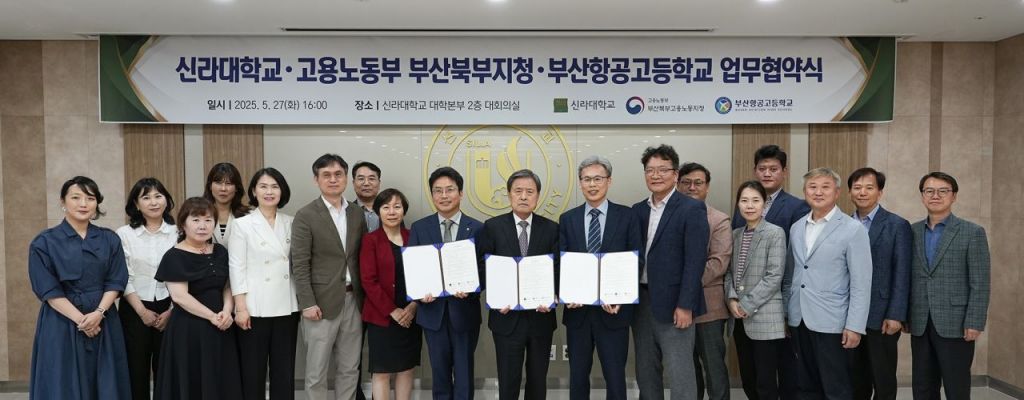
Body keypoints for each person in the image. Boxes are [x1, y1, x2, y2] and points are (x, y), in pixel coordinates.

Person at [28, 176, 131, 399]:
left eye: (90, 198)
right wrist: (82, 321)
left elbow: (116, 280)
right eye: (76, 197)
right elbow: (48, 289)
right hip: (61, 322)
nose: (83, 204)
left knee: (106, 381)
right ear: (63, 202)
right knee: (62, 382)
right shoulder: (44, 242)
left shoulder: (109, 239)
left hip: (104, 319)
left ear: (97, 203)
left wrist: (98, 314)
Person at [784, 167, 872, 400]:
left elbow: (861, 283)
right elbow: (792, 274)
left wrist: (855, 326)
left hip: (833, 322)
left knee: (836, 388)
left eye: (825, 187)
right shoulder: (797, 227)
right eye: (812, 187)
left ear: (837, 192)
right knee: (805, 387)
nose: (818, 192)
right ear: (805, 191)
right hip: (799, 318)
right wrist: (787, 313)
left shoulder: (853, 229)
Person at [559, 156, 642, 400]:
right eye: (587, 179)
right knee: (577, 376)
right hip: (578, 313)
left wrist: (620, 296)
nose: (592, 184)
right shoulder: (568, 218)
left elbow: (636, 260)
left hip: (614, 312)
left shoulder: (627, 216)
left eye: (598, 178)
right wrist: (568, 293)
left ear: (609, 181)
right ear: (580, 183)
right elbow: (562, 262)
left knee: (615, 376)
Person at [631, 145, 709, 400]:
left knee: (680, 371)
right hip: (641, 302)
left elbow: (695, 261)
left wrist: (686, 305)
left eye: (662, 170)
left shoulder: (691, 208)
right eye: (650, 170)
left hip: (676, 304)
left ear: (675, 175)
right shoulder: (638, 210)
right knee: (646, 370)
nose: (655, 175)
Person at [731, 144, 807, 400]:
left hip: (774, 306)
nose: (767, 173)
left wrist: (784, 309)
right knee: (751, 374)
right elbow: (734, 264)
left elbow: (790, 265)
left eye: (773, 169)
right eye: (762, 168)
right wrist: (733, 299)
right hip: (742, 309)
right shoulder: (740, 218)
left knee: (783, 371)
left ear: (784, 171)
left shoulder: (797, 207)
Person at [477, 169, 559, 400]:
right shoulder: (492, 227)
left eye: (529, 192)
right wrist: (496, 298)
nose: (523, 196)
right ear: (509, 194)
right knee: (508, 380)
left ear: (538, 196)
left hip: (541, 317)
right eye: (518, 191)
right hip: (506, 318)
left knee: (538, 380)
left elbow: (557, 268)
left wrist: (553, 296)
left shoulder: (551, 228)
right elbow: (484, 268)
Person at [291, 154, 368, 400]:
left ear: (346, 178)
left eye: (338, 174)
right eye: (326, 175)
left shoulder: (356, 213)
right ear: (316, 180)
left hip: (353, 301)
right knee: (317, 371)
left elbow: (360, 256)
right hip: (320, 303)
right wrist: (307, 303)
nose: (333, 179)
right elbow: (299, 264)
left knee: (350, 368)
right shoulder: (306, 215)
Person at [908, 172, 990, 400]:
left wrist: (974, 321)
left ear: (953, 196)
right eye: (929, 191)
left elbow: (980, 282)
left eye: (943, 191)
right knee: (923, 385)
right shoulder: (912, 231)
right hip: (920, 321)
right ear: (922, 196)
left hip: (956, 322)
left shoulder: (972, 232)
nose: (935, 196)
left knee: (956, 386)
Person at [153, 196, 243, 400]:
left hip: (222, 325)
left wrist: (227, 311)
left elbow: (228, 285)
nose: (203, 226)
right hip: (189, 329)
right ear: (183, 224)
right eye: (195, 220)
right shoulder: (174, 256)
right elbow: (180, 297)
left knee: (221, 378)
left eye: (208, 220)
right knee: (192, 379)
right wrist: (212, 316)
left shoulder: (220, 251)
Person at [408, 167, 484, 400]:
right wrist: (420, 293)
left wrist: (470, 290)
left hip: (464, 312)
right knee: (439, 372)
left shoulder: (478, 228)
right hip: (433, 313)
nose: (444, 195)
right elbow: (413, 268)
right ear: (432, 194)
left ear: (460, 193)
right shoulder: (420, 227)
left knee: (464, 372)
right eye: (437, 190)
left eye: (449, 190)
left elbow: (483, 268)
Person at [228, 168, 299, 400]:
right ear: (253, 191)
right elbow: (236, 268)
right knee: (252, 371)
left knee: (284, 371)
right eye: (263, 186)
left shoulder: (292, 222)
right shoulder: (242, 224)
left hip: (287, 305)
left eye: (275, 187)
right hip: (254, 307)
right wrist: (240, 308)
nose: (269, 192)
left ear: (282, 191)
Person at [845, 168, 912, 400]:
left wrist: (896, 314)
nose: (862, 192)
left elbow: (902, 272)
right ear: (849, 192)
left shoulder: (897, 225)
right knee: (855, 379)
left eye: (869, 187)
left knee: (883, 380)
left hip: (882, 315)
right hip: (848, 315)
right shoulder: (842, 224)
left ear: (880, 192)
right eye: (857, 187)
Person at [116, 177, 177, 400]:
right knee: (135, 370)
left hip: (172, 306)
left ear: (166, 200)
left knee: (167, 369)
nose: (153, 202)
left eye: (158, 196)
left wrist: (171, 311)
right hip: (134, 307)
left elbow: (185, 276)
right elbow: (122, 275)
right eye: (146, 197)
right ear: (136, 204)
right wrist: (142, 311)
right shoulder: (124, 234)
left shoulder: (178, 232)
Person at [726, 181, 787, 400]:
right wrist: (732, 299)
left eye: (755, 200)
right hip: (738, 318)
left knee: (766, 381)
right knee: (748, 378)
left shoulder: (775, 233)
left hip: (765, 317)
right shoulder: (735, 234)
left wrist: (746, 304)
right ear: (738, 205)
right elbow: (728, 273)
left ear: (764, 204)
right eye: (744, 200)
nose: (749, 206)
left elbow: (774, 276)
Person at [360, 189, 423, 400]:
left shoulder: (413, 237)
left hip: (411, 315)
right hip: (382, 317)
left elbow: (424, 275)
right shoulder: (370, 240)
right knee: (382, 371)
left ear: (404, 210)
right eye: (386, 207)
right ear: (378, 211)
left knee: (406, 368)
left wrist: (413, 306)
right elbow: (368, 281)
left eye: (397, 206)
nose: (392, 212)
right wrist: (392, 310)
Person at [677, 162, 732, 400]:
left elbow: (718, 263)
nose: (692, 187)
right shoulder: (671, 218)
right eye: (686, 182)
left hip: (709, 308)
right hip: (677, 307)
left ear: (707, 187)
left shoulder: (719, 220)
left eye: (698, 183)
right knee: (687, 370)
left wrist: (681, 284)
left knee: (714, 367)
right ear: (677, 185)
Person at [204, 162, 250, 245]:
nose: (223, 189)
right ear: (210, 186)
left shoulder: (248, 216)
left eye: (228, 183)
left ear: (236, 188)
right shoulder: (198, 214)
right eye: (218, 183)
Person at [352, 161, 382, 232]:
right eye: (361, 179)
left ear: (379, 183)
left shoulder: (391, 211)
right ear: (353, 183)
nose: (366, 183)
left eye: (371, 179)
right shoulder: (345, 212)